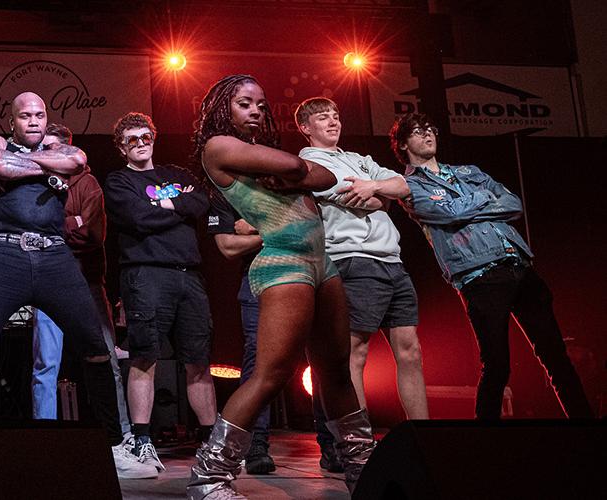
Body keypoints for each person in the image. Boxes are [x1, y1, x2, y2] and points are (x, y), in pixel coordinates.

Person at [0, 92, 156, 480]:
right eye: (26, 116)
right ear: (12, 122)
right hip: (3, 253)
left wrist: (29, 163)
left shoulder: (63, 149)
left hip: (56, 256)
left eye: (40, 114)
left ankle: (114, 445)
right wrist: (46, 169)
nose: (34, 121)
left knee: (95, 349)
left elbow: (77, 162)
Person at [187, 75, 374, 499]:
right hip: (283, 262)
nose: (255, 111)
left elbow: (326, 176)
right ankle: (209, 478)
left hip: (321, 263)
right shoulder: (217, 146)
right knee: (271, 374)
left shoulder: (256, 154)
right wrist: (296, 172)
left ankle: (363, 469)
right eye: (244, 104)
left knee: (337, 372)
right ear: (223, 109)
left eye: (260, 104)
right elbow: (299, 168)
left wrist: (300, 172)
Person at [392, 112, 591, 420]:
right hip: (479, 274)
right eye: (418, 132)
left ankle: (585, 426)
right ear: (404, 144)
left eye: (430, 129)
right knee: (497, 364)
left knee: (555, 354)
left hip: (518, 264)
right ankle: (484, 441)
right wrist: (483, 198)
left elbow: (513, 204)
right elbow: (446, 215)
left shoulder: (468, 171)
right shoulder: (408, 185)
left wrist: (466, 206)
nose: (428, 134)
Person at [296, 97, 429, 437]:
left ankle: (425, 436)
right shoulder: (308, 162)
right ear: (306, 128)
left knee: (410, 349)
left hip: (392, 260)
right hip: (353, 258)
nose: (333, 121)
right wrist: (380, 195)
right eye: (323, 117)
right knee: (355, 351)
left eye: (336, 115)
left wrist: (378, 189)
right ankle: (358, 441)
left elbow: (403, 186)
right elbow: (358, 196)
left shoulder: (358, 159)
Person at [103, 112, 218, 473]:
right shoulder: (119, 181)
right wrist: (175, 206)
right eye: (132, 140)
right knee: (144, 357)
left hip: (189, 276)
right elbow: (138, 219)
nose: (140, 143)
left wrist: (165, 205)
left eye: (145, 137)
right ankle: (141, 441)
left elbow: (202, 203)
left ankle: (210, 441)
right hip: (145, 275)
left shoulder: (178, 175)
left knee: (199, 362)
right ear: (122, 148)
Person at [28, 124, 130, 445]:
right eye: (43, 148)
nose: (47, 154)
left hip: (87, 284)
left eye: (53, 148)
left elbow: (94, 235)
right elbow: (36, 229)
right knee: (45, 366)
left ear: (69, 150)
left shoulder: (88, 184)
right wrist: (75, 222)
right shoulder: (35, 181)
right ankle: (44, 436)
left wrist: (64, 225)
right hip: (50, 284)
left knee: (106, 360)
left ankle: (120, 435)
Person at [205, 196, 277, 474]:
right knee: (257, 356)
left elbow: (306, 226)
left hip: (300, 270)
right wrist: (275, 231)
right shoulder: (226, 196)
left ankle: (333, 446)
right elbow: (227, 246)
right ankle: (254, 443)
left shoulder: (282, 185)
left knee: (318, 356)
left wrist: (256, 229)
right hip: (256, 276)